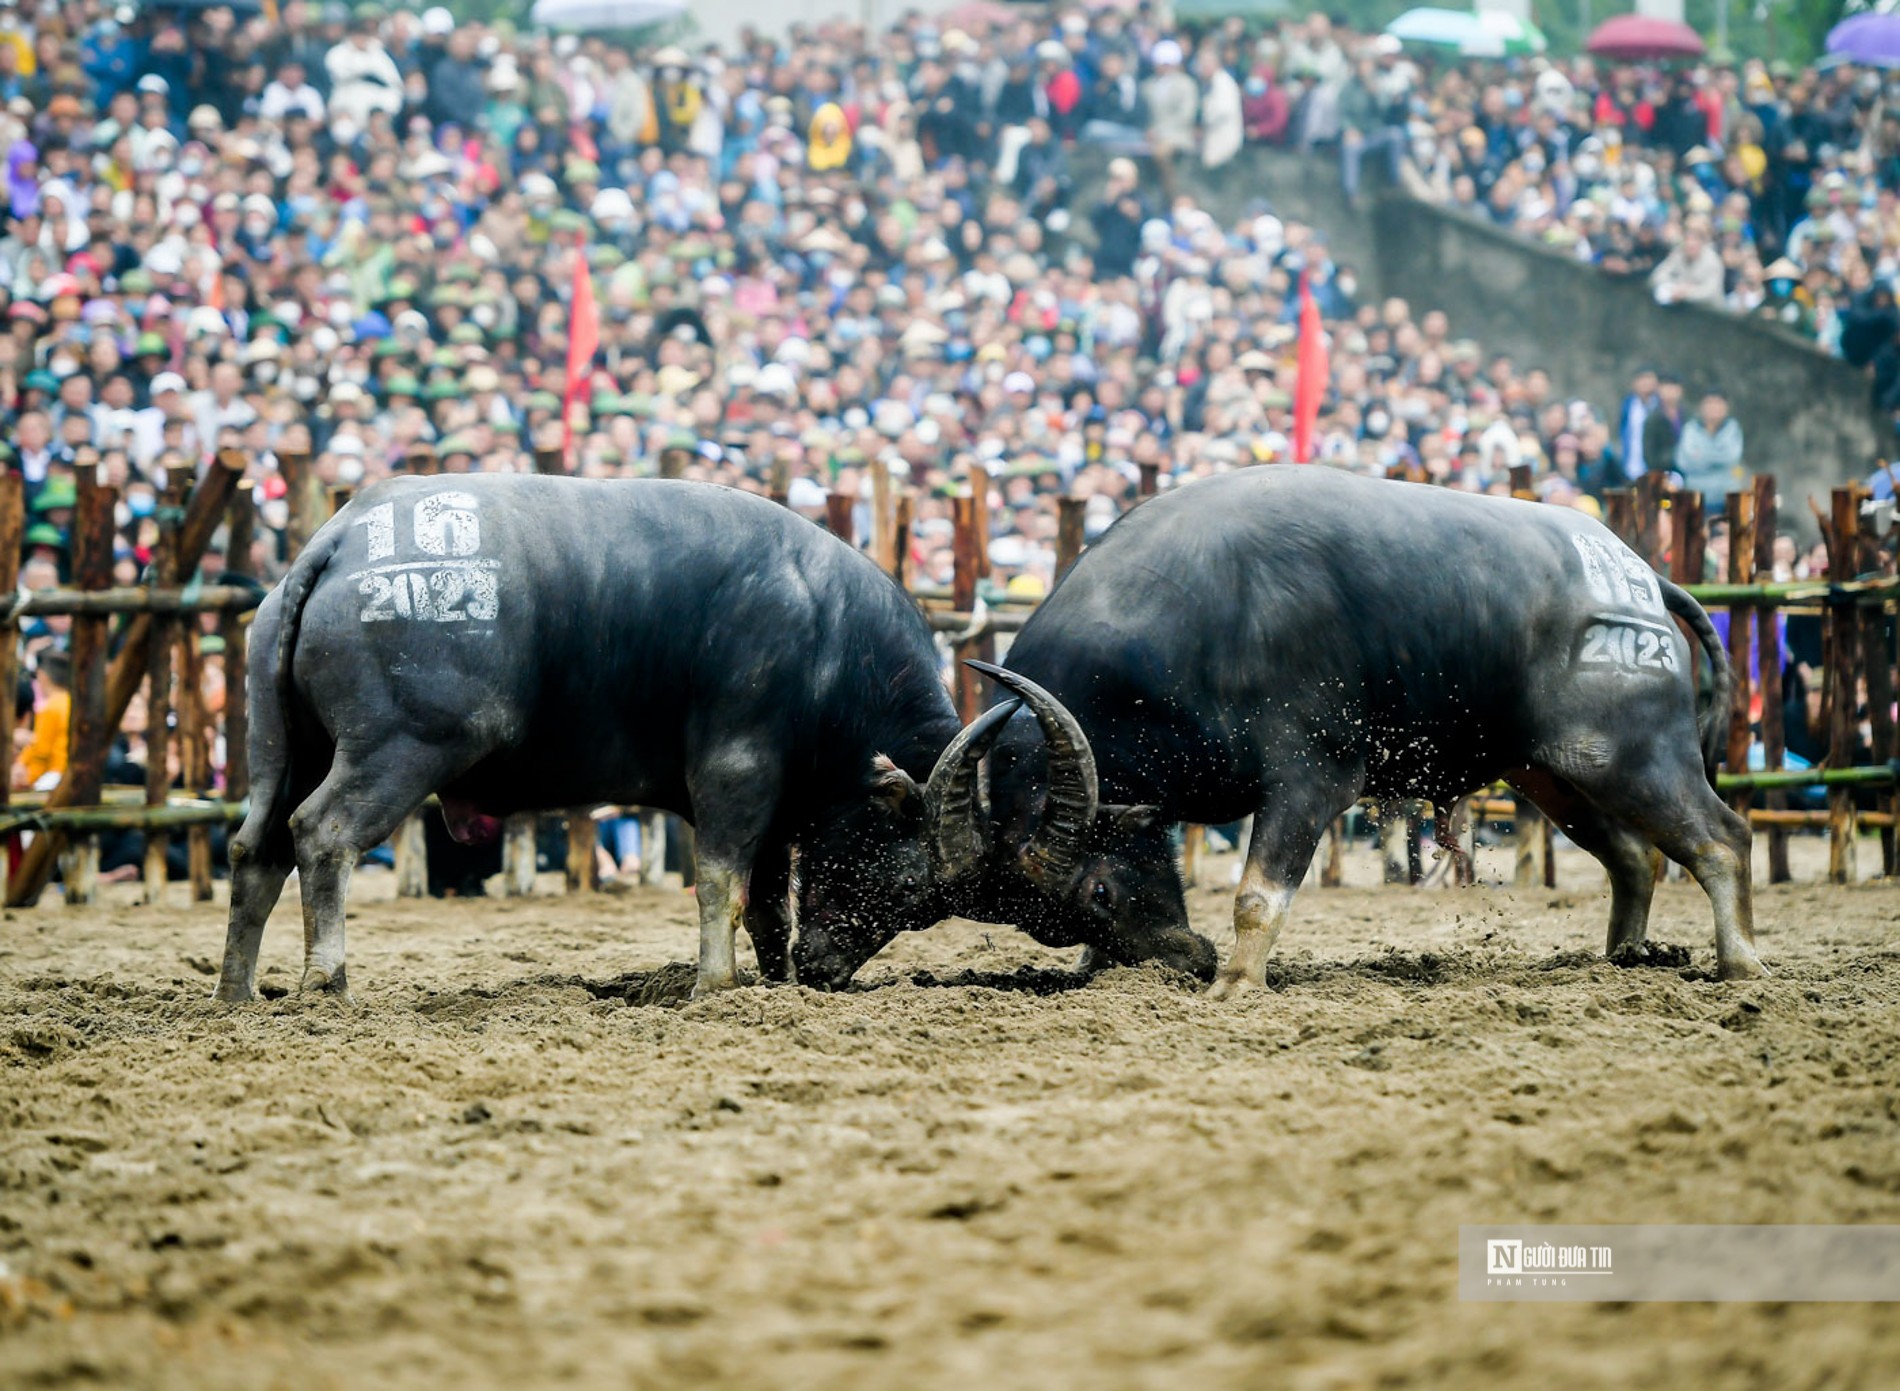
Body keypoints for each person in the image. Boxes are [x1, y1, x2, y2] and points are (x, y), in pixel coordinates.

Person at [13, 650, 69, 791]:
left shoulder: (52, 707)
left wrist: (28, 779)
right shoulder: (71, 702)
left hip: (55, 774)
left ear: (43, 676)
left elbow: (41, 750)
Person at [1674, 389, 1745, 501]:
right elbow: (1683, 462)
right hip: (1696, 496)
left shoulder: (1733, 428)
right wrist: (1718, 452)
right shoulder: (1690, 429)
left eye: (1718, 402)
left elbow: (1731, 457)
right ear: (1701, 406)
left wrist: (1701, 454)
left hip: (1727, 496)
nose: (1713, 407)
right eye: (1709, 403)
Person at [1642, 374, 1685, 479]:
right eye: (1666, 387)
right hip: (1663, 477)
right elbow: (1649, 456)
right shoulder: (1652, 420)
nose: (1670, 391)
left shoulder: (1689, 417)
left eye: (1673, 387)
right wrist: (1676, 455)